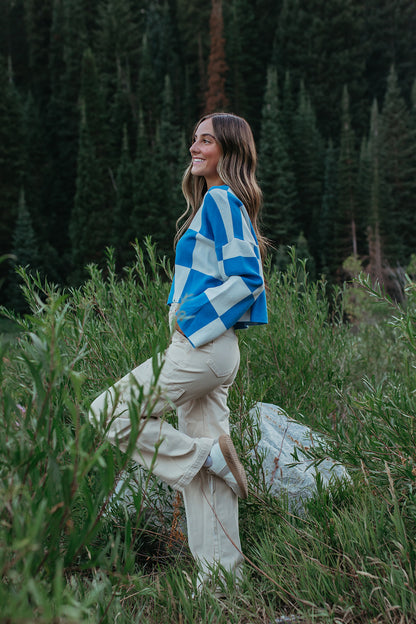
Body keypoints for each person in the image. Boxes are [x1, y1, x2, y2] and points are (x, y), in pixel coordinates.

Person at [89, 112, 268, 591]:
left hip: (202, 346)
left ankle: (203, 454)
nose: (195, 147)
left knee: (108, 413)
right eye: (194, 138)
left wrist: (191, 322)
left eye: (206, 140)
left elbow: (249, 279)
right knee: (210, 483)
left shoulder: (223, 199)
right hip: (210, 348)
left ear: (228, 152)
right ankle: (221, 589)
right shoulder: (215, 202)